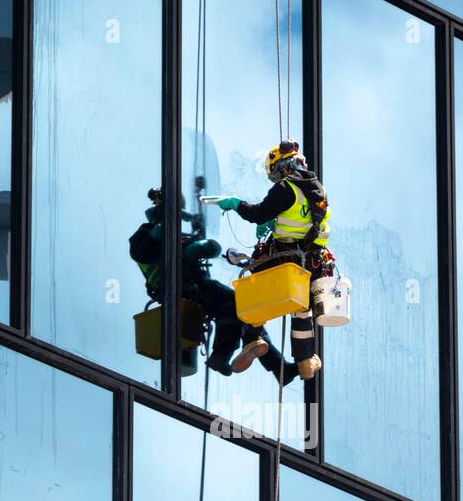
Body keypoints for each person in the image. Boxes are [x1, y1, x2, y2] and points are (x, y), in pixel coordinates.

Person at [129, 189, 297, 382]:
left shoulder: (169, 238)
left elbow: (204, 248)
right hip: (179, 289)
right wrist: (183, 229)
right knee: (236, 305)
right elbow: (200, 248)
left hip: (194, 286)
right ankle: (224, 356)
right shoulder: (143, 239)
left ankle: (278, 366)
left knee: (245, 310)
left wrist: (194, 229)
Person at [215, 139, 332, 380]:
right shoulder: (318, 189)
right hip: (311, 262)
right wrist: (275, 220)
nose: (277, 178)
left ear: (282, 167)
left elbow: (257, 214)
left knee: (255, 286)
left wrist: (236, 204)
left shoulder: (286, 188)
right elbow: (306, 219)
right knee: (302, 309)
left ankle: (252, 338)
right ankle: (305, 360)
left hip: (285, 257)